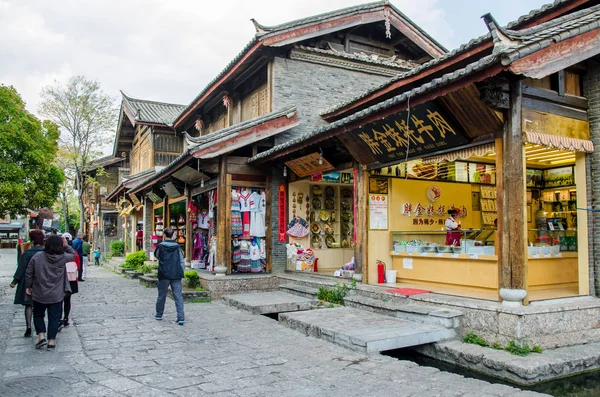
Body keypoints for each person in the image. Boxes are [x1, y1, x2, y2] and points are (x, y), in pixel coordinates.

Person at [25, 235, 75, 350]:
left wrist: (28, 286)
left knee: (38, 315)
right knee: (54, 318)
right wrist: (66, 245)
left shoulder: (37, 257)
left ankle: (41, 336)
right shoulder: (63, 257)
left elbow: (29, 272)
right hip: (56, 294)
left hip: (39, 292)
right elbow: (73, 254)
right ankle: (51, 341)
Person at [10, 230, 45, 337]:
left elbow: (21, 268)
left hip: (28, 282)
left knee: (28, 305)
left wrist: (14, 281)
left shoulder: (26, 253)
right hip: (43, 282)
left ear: (32, 241)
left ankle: (29, 327)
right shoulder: (46, 252)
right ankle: (41, 328)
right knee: (41, 305)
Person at [154, 227, 185, 325]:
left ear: (164, 235)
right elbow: (181, 260)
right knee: (178, 296)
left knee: (161, 295)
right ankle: (180, 318)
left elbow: (157, 256)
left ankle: (159, 315)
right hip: (176, 274)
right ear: (173, 236)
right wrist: (181, 271)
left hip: (164, 274)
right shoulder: (177, 247)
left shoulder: (160, 246)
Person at [59, 250, 80, 330]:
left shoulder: (57, 253)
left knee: (59, 300)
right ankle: (66, 318)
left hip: (60, 279)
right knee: (67, 300)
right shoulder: (74, 253)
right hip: (71, 279)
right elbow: (78, 266)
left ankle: (59, 318)